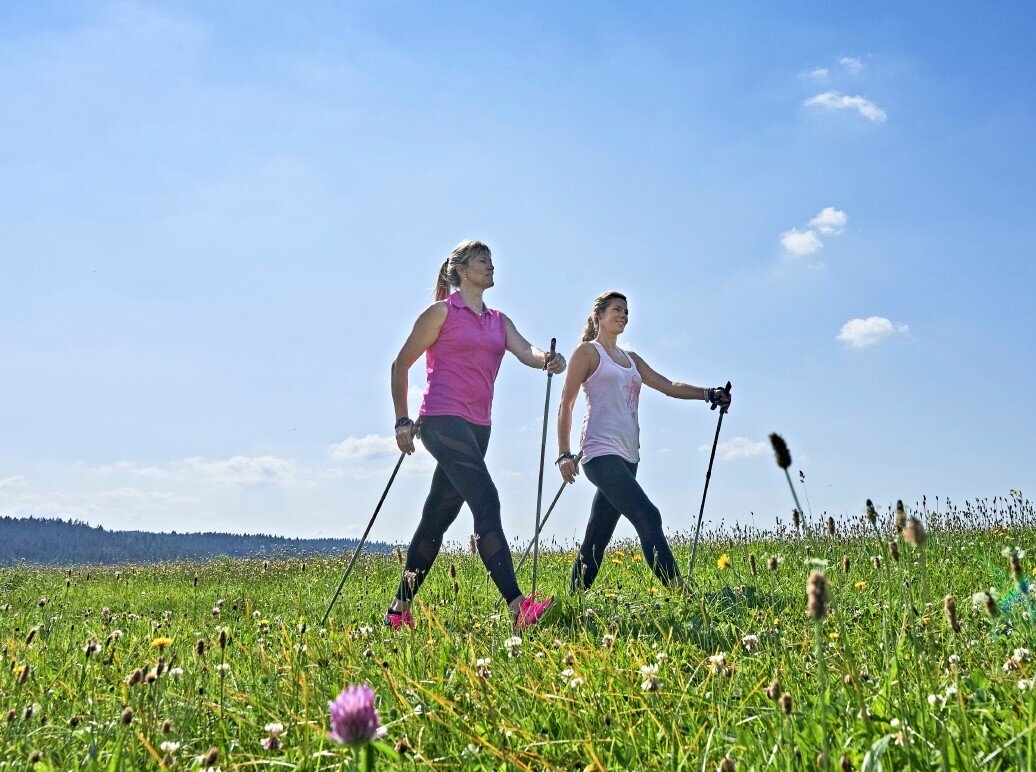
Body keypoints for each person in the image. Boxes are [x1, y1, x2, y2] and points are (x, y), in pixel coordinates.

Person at [387, 240, 566, 630]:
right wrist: (402, 421)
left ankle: (398, 611)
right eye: (482, 261)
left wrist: (547, 360)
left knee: (437, 517)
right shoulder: (440, 313)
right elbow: (400, 365)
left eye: (491, 261)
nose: (490, 266)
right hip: (440, 420)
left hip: (478, 427)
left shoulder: (498, 321)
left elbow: (526, 350)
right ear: (462, 271)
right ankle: (518, 607)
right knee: (486, 499)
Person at [556, 291, 730, 592]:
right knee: (648, 515)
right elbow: (566, 403)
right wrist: (564, 454)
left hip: (628, 455)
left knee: (598, 534)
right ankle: (681, 592)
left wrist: (708, 393)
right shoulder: (587, 353)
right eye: (616, 309)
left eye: (626, 311)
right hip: (599, 452)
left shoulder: (632, 360)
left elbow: (668, 386)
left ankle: (574, 597)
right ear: (599, 314)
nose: (623, 315)